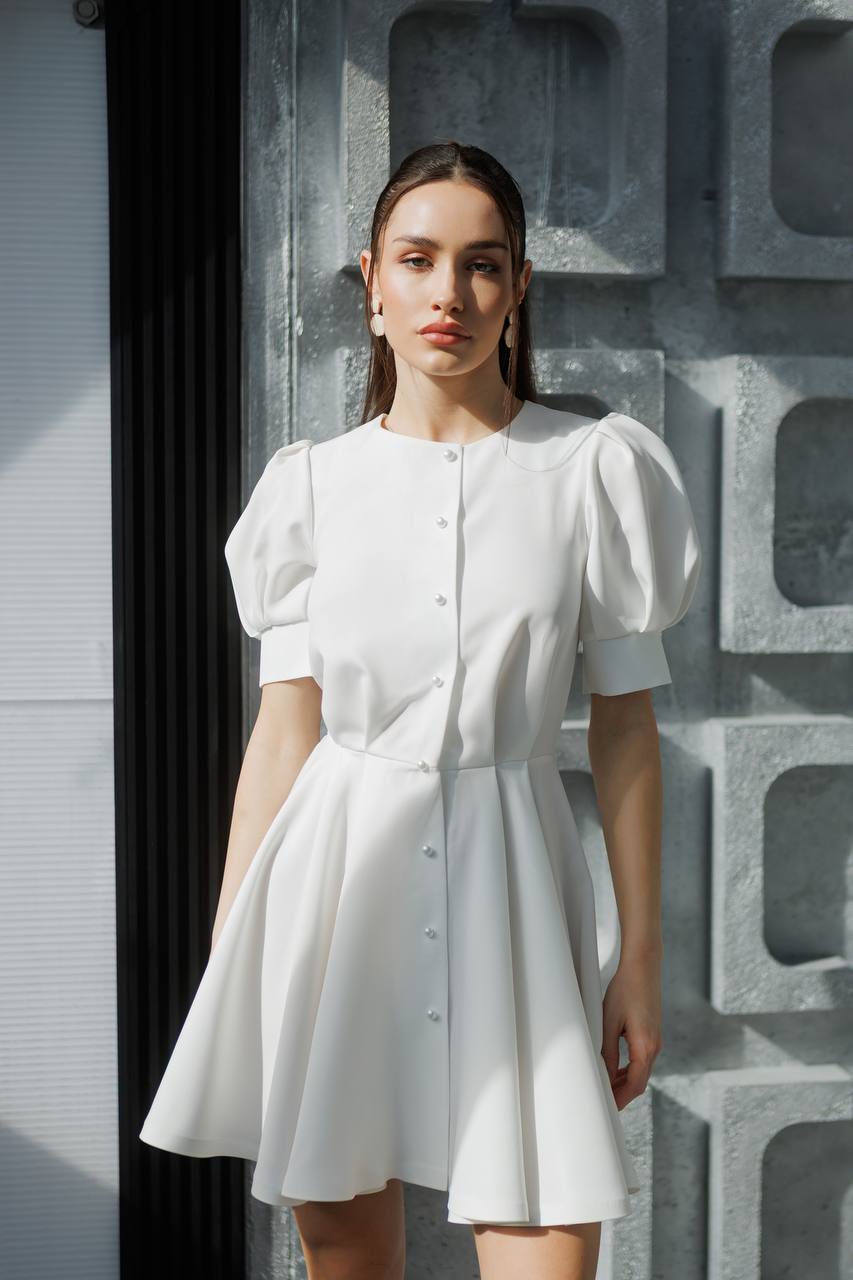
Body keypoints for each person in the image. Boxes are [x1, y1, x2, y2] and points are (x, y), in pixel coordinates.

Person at [139, 140, 702, 1280]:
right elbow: (285, 730)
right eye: (418, 259)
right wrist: (234, 943)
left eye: (482, 263)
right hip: (334, 897)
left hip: (520, 899)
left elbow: (627, 727)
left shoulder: (593, 471)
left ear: (519, 286)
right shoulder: (309, 489)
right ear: (373, 282)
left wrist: (638, 955)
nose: (450, 293)